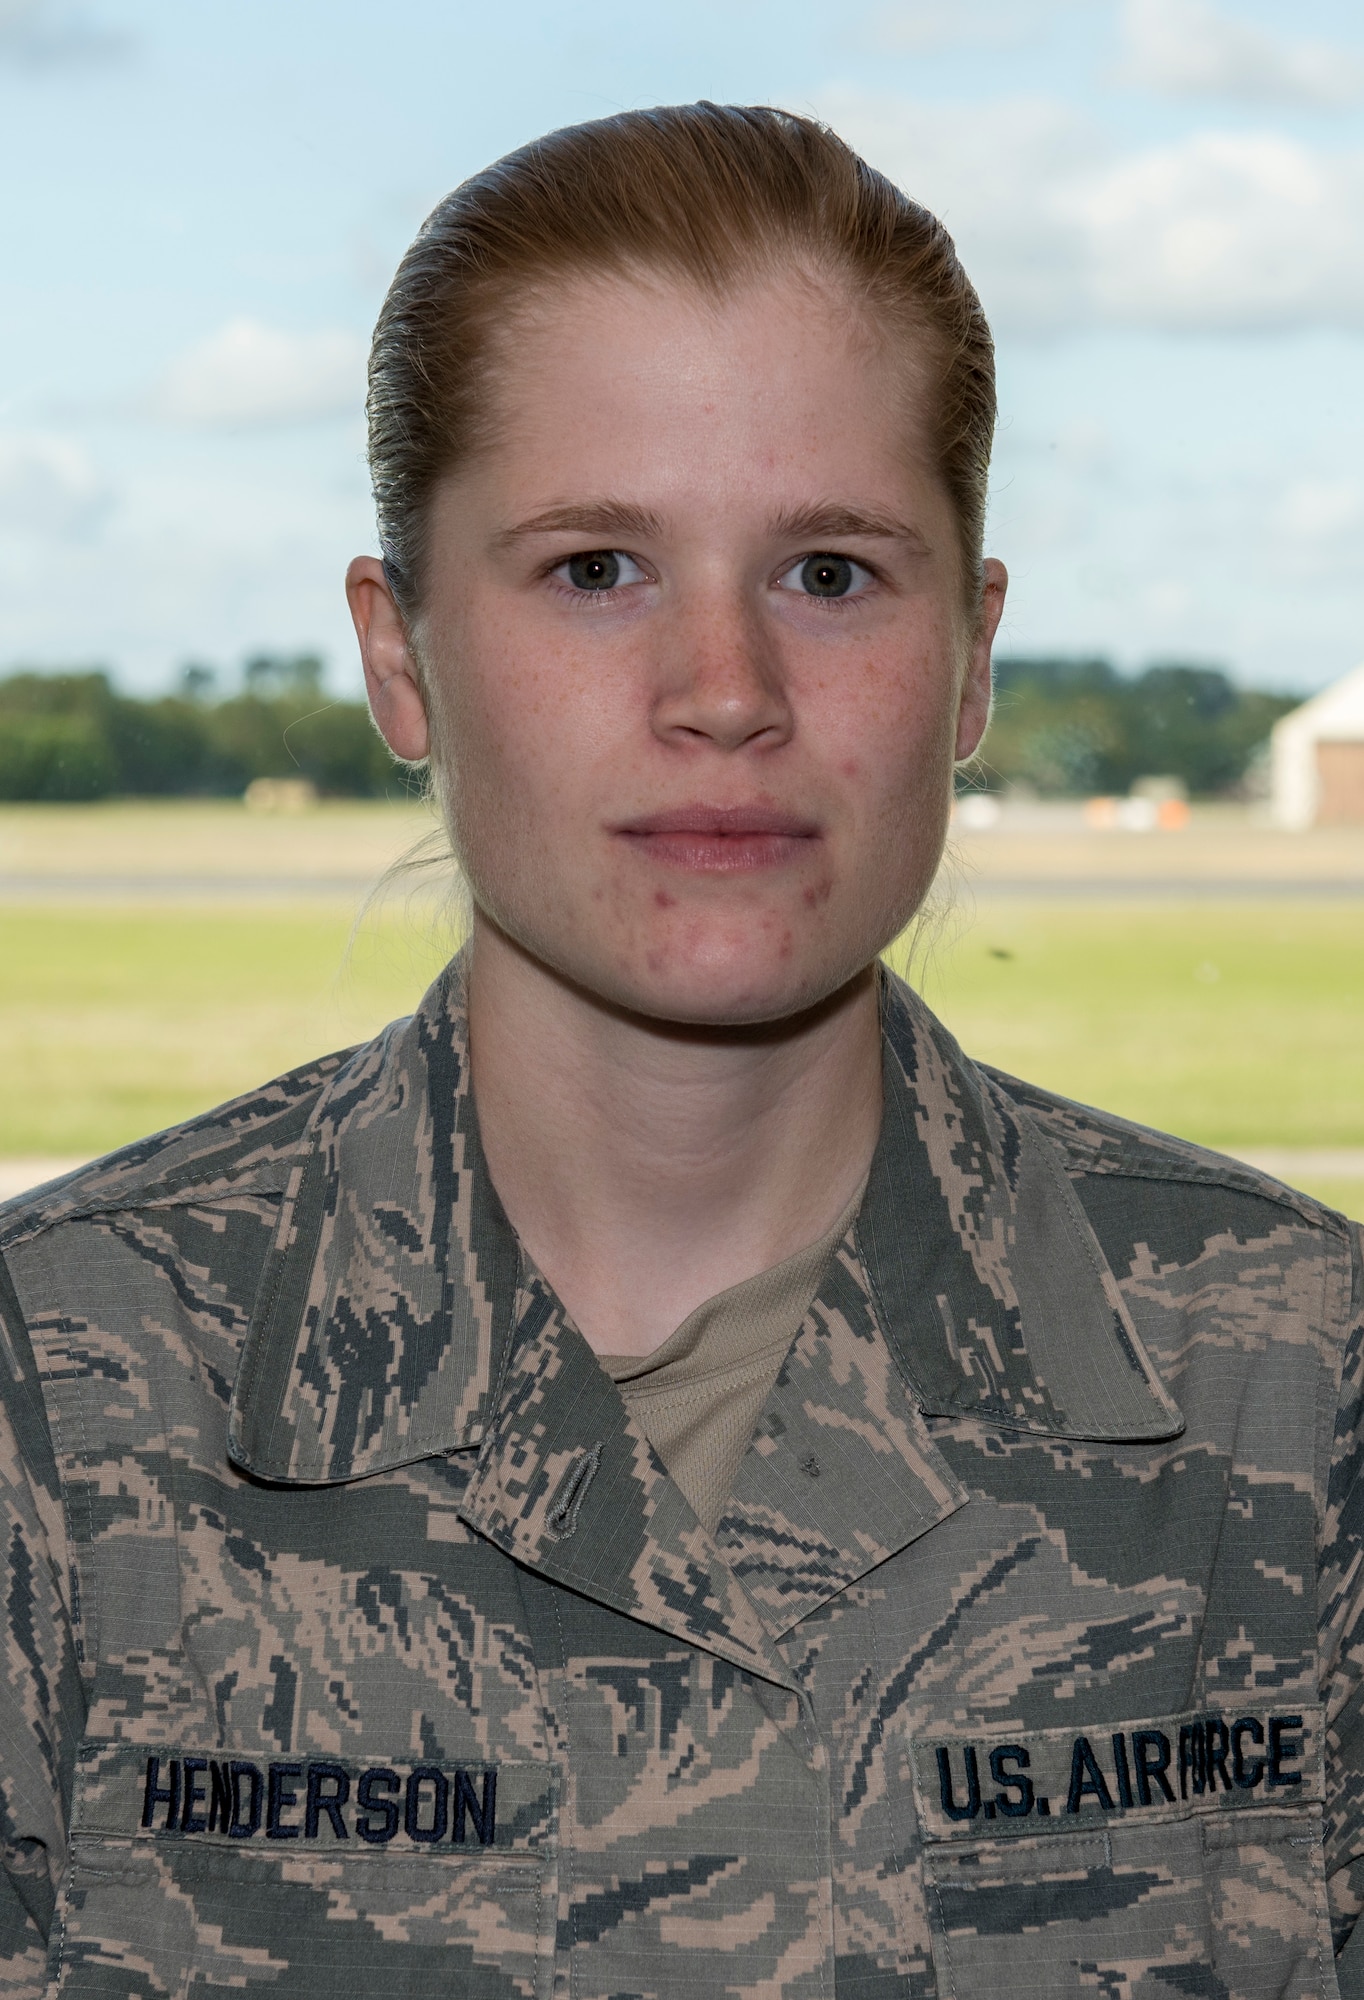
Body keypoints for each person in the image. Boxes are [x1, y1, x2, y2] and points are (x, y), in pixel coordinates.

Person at [1, 102, 1361, 2000]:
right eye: (592, 570)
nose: (724, 690)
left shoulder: (1291, 1388)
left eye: (829, 573)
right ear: (399, 657)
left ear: (970, 660)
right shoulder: (61, 1400)